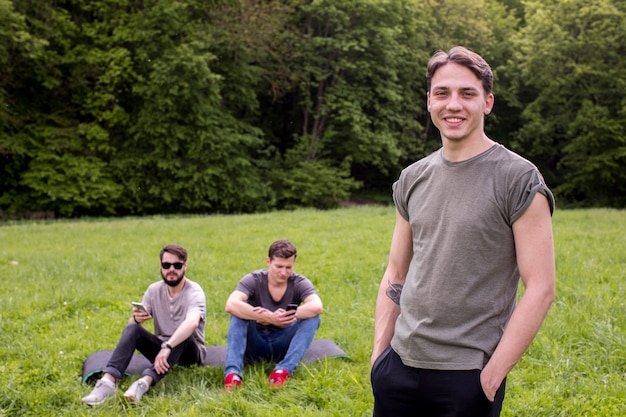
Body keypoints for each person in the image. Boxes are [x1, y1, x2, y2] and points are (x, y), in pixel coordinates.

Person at [370, 46, 556, 416]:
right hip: (399, 369)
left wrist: (489, 379)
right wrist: (380, 355)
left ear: (487, 102)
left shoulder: (518, 179)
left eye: (467, 93)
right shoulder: (412, 178)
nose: (453, 104)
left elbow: (541, 288)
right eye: (442, 93)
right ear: (429, 102)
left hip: (468, 377)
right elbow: (396, 271)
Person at [81, 244, 207, 405]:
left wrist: (167, 346)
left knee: (184, 334)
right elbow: (130, 327)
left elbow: (192, 323)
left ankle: (143, 383)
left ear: (185, 266)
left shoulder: (194, 291)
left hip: (190, 353)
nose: (171, 270)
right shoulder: (154, 290)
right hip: (162, 348)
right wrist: (136, 319)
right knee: (133, 329)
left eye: (177, 265)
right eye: (166, 265)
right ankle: (107, 383)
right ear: (161, 266)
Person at [223, 239, 323, 390]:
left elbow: (317, 306)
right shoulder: (253, 279)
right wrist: (265, 317)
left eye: (288, 267)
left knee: (314, 317)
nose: (284, 272)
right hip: (255, 344)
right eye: (279, 266)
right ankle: (233, 375)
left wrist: (287, 316)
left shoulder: (299, 282)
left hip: (283, 344)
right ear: (268, 261)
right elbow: (231, 304)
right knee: (238, 313)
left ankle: (283, 370)